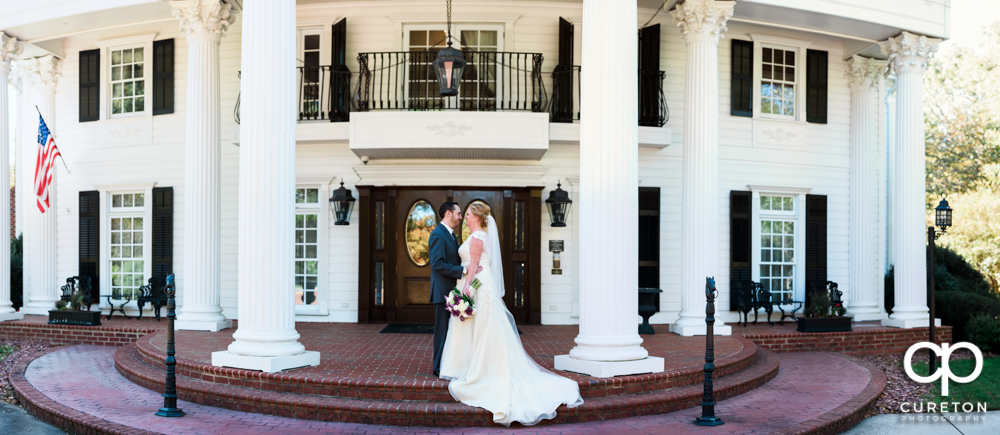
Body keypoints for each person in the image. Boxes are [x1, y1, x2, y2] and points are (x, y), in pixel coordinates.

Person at [439, 202, 582, 426]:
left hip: (476, 285)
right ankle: (469, 364)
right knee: (477, 327)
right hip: (474, 282)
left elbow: (475, 263)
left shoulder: (478, 237)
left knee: (484, 328)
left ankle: (483, 368)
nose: (464, 217)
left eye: (467, 214)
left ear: (476, 217)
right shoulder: (476, 235)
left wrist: (466, 291)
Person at [428, 202, 480, 377]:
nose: (460, 217)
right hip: (442, 290)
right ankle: (438, 367)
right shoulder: (437, 234)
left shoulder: (450, 235)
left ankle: (449, 364)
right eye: (458, 214)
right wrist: (464, 271)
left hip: (452, 289)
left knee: (452, 330)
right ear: (448, 214)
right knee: (442, 330)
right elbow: (438, 264)